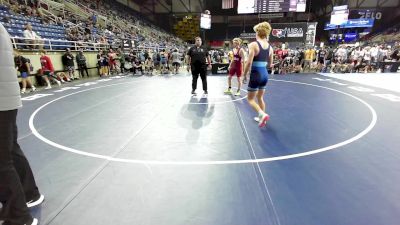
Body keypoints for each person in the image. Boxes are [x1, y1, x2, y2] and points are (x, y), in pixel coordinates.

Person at [0, 21, 44, 225]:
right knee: (9, 152)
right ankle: (28, 194)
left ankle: (18, 217)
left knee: (2, 161)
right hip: (6, 97)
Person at [243, 22, 273, 128]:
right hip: (264, 74)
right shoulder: (270, 47)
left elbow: (249, 62)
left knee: (250, 99)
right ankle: (262, 119)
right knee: (260, 97)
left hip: (256, 74)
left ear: (257, 32)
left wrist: (244, 75)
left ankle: (262, 114)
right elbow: (270, 65)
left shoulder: (253, 44)